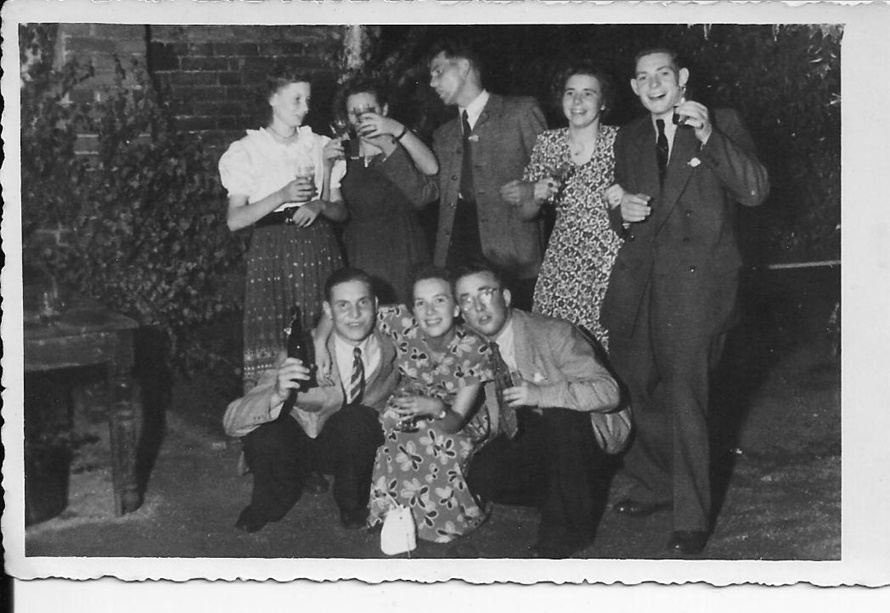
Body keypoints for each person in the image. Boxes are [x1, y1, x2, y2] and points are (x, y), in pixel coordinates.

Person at [602, 47, 770, 556]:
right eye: (643, 77)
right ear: (634, 87)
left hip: (698, 287)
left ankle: (691, 517)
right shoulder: (631, 136)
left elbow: (755, 190)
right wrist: (623, 212)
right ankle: (656, 484)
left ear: (683, 79)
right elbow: (626, 210)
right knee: (638, 384)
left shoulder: (720, 122)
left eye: (663, 74)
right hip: (641, 283)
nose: (654, 84)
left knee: (686, 397)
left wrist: (710, 136)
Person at [455, 265, 621, 558]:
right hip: (532, 432)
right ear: (461, 312)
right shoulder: (469, 345)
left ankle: (566, 534)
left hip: (585, 432)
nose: (478, 307)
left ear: (506, 297)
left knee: (562, 417)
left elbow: (609, 392)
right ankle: (562, 495)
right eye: (467, 300)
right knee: (483, 474)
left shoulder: (553, 333)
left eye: (485, 294)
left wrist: (540, 395)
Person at [222, 268, 399, 533]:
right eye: (343, 305)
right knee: (267, 433)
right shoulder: (302, 350)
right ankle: (268, 503)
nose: (354, 314)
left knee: (358, 420)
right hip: (296, 444)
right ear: (328, 310)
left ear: (375, 305)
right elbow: (231, 421)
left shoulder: (392, 345)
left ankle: (352, 506)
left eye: (362, 303)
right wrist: (276, 394)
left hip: (342, 444)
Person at [219, 67, 347, 391]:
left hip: (318, 248)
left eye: (308, 100)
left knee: (321, 330)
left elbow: (340, 210)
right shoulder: (248, 150)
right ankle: (269, 409)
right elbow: (235, 220)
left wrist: (320, 203)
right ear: (273, 98)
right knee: (277, 337)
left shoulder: (319, 145)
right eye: (296, 99)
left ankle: (324, 407)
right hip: (272, 251)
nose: (305, 108)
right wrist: (282, 195)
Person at [364, 267, 494, 544]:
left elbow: (455, 420)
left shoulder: (474, 348)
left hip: (456, 415)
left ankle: (442, 521)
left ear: (456, 308)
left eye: (439, 300)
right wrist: (321, 337)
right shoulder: (403, 324)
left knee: (437, 439)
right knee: (391, 425)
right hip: (410, 400)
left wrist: (435, 408)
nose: (430, 311)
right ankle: (391, 512)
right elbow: (356, 308)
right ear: (412, 309)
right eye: (421, 303)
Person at [426, 37, 547, 311]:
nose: (432, 83)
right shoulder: (443, 134)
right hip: (458, 257)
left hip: (515, 263)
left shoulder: (520, 112)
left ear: (464, 67)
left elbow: (553, 173)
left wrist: (530, 190)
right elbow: (428, 191)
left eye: (438, 71)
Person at [511, 62, 623, 351]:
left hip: (610, 260)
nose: (577, 101)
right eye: (570, 92)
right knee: (557, 345)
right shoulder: (548, 142)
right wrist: (536, 196)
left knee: (606, 349)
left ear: (603, 102)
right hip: (563, 261)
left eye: (588, 93)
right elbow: (525, 213)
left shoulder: (621, 140)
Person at [328, 78, 437, 303]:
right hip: (361, 249)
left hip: (405, 244)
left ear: (384, 110)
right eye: (354, 112)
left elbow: (431, 174)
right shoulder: (342, 153)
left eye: (370, 110)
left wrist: (391, 139)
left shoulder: (405, 143)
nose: (362, 118)